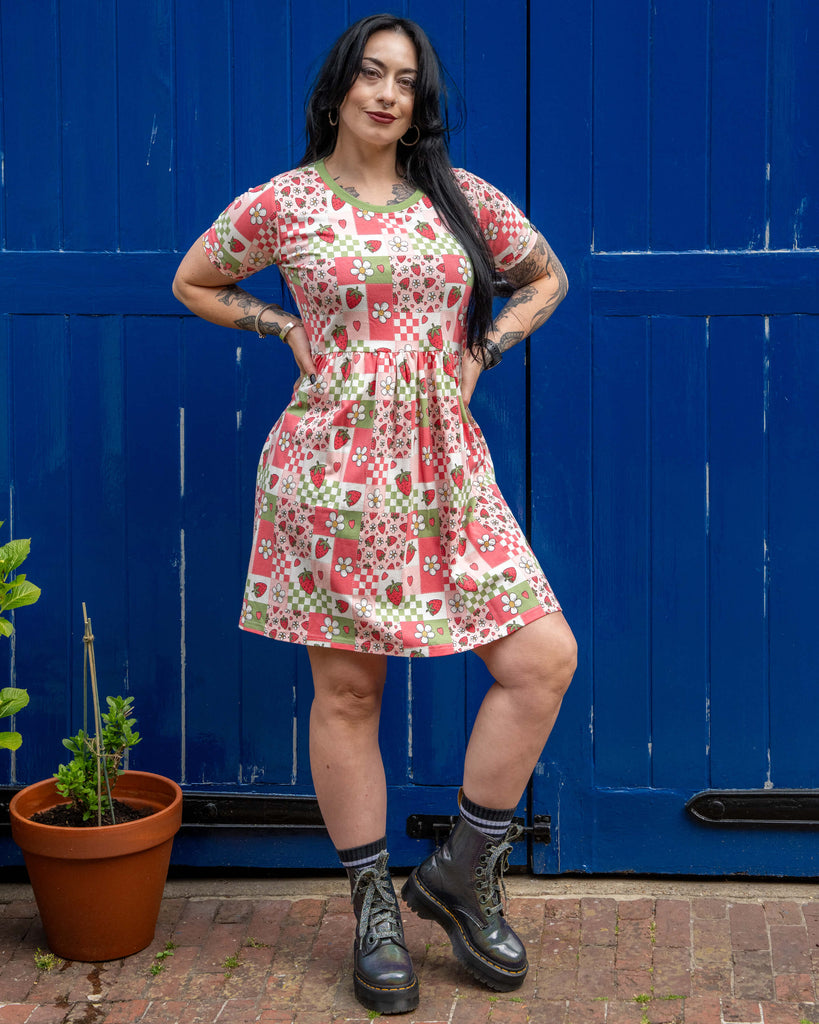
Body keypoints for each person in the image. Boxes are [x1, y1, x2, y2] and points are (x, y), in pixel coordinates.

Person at [173, 13, 575, 1015]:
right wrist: (282, 326)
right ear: (339, 89)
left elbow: (547, 276)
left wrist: (482, 351)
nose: (389, 94)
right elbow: (194, 278)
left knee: (541, 658)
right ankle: (373, 906)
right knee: (348, 694)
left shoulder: (459, 199)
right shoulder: (287, 202)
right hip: (333, 472)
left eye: (406, 81)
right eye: (372, 75)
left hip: (446, 468)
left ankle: (458, 873)